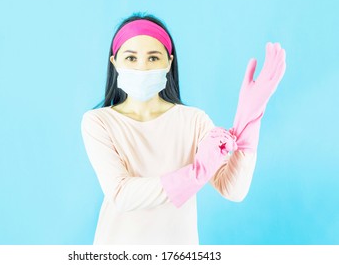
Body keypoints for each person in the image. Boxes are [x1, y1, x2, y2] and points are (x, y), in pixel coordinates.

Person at [81, 13, 286, 245]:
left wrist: (249, 118)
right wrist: (195, 174)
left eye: (153, 58)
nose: (142, 67)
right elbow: (121, 194)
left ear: (168, 62)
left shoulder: (194, 121)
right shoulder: (98, 122)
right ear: (115, 62)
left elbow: (233, 190)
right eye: (130, 58)